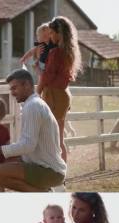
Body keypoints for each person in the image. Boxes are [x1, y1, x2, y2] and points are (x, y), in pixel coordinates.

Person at [0, 69, 66, 191]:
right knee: (0, 163)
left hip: (50, 171)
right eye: (11, 89)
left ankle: (42, 193)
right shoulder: (34, 104)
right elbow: (28, 145)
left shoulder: (32, 106)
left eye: (14, 88)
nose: (12, 93)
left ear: (26, 85)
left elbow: (28, 145)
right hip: (43, 165)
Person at [36, 16, 82, 163]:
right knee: (59, 139)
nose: (50, 36)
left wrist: (37, 92)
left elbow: (47, 76)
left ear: (58, 33)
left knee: (50, 138)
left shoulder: (55, 53)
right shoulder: (69, 52)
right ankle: (61, 174)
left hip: (53, 96)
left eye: (51, 33)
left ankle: (53, 172)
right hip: (63, 95)